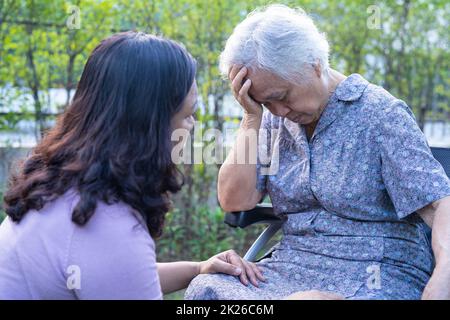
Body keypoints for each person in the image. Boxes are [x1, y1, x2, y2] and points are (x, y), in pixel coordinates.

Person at [185, 5, 450, 300]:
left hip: (377, 273)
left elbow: (440, 205)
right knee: (206, 289)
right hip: (292, 266)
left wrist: (443, 277)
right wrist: (251, 118)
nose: (279, 111)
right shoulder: (273, 119)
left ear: (314, 64)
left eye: (281, 97)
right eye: (265, 103)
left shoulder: (380, 115)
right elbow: (235, 200)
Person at [0, 31, 264, 300]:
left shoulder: (59, 183)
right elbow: (116, 260)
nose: (192, 125)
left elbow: (113, 275)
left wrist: (197, 269)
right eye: (188, 114)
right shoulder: (108, 222)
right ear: (150, 126)